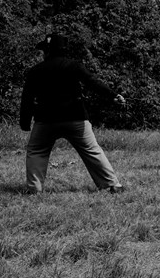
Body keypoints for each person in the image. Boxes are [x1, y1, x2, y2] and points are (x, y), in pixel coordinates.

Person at [19, 33, 126, 194]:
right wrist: (113, 95)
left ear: (47, 51)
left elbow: (27, 98)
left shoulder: (35, 70)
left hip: (45, 120)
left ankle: (34, 189)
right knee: (91, 150)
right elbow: (93, 83)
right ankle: (112, 185)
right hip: (75, 118)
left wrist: (25, 121)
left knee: (36, 151)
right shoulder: (74, 66)